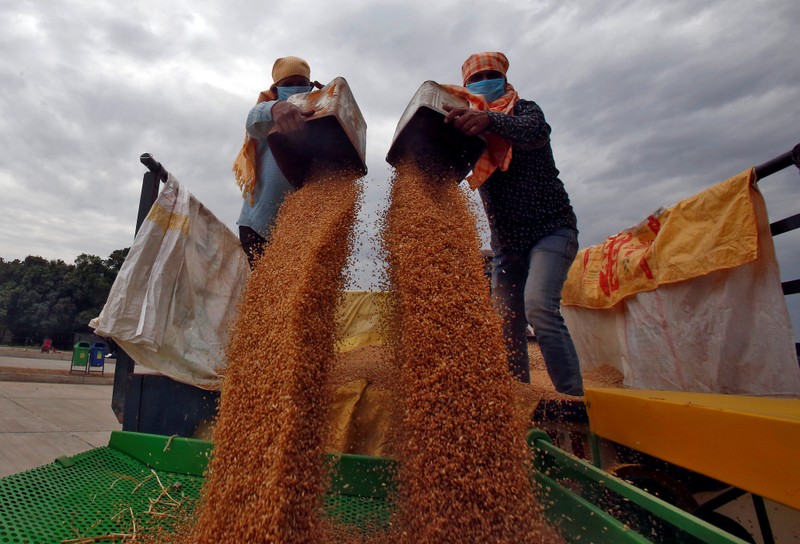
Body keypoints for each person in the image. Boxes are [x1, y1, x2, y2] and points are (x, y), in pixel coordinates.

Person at [443, 52, 584, 396]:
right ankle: (517, 398)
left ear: (505, 79)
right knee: (506, 325)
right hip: (506, 245)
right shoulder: (471, 131)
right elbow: (450, 165)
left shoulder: (525, 111)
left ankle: (574, 400)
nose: (483, 83)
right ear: (465, 88)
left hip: (550, 230)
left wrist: (489, 120)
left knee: (540, 308)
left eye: (490, 75)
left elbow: (534, 132)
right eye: (475, 80)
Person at [232, 56, 319, 269]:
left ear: (310, 85)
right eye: (288, 84)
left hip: (301, 231)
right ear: (276, 89)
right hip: (258, 226)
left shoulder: (319, 113)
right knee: (266, 291)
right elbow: (252, 121)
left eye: (300, 83)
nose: (295, 88)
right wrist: (276, 108)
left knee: (297, 295)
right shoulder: (267, 113)